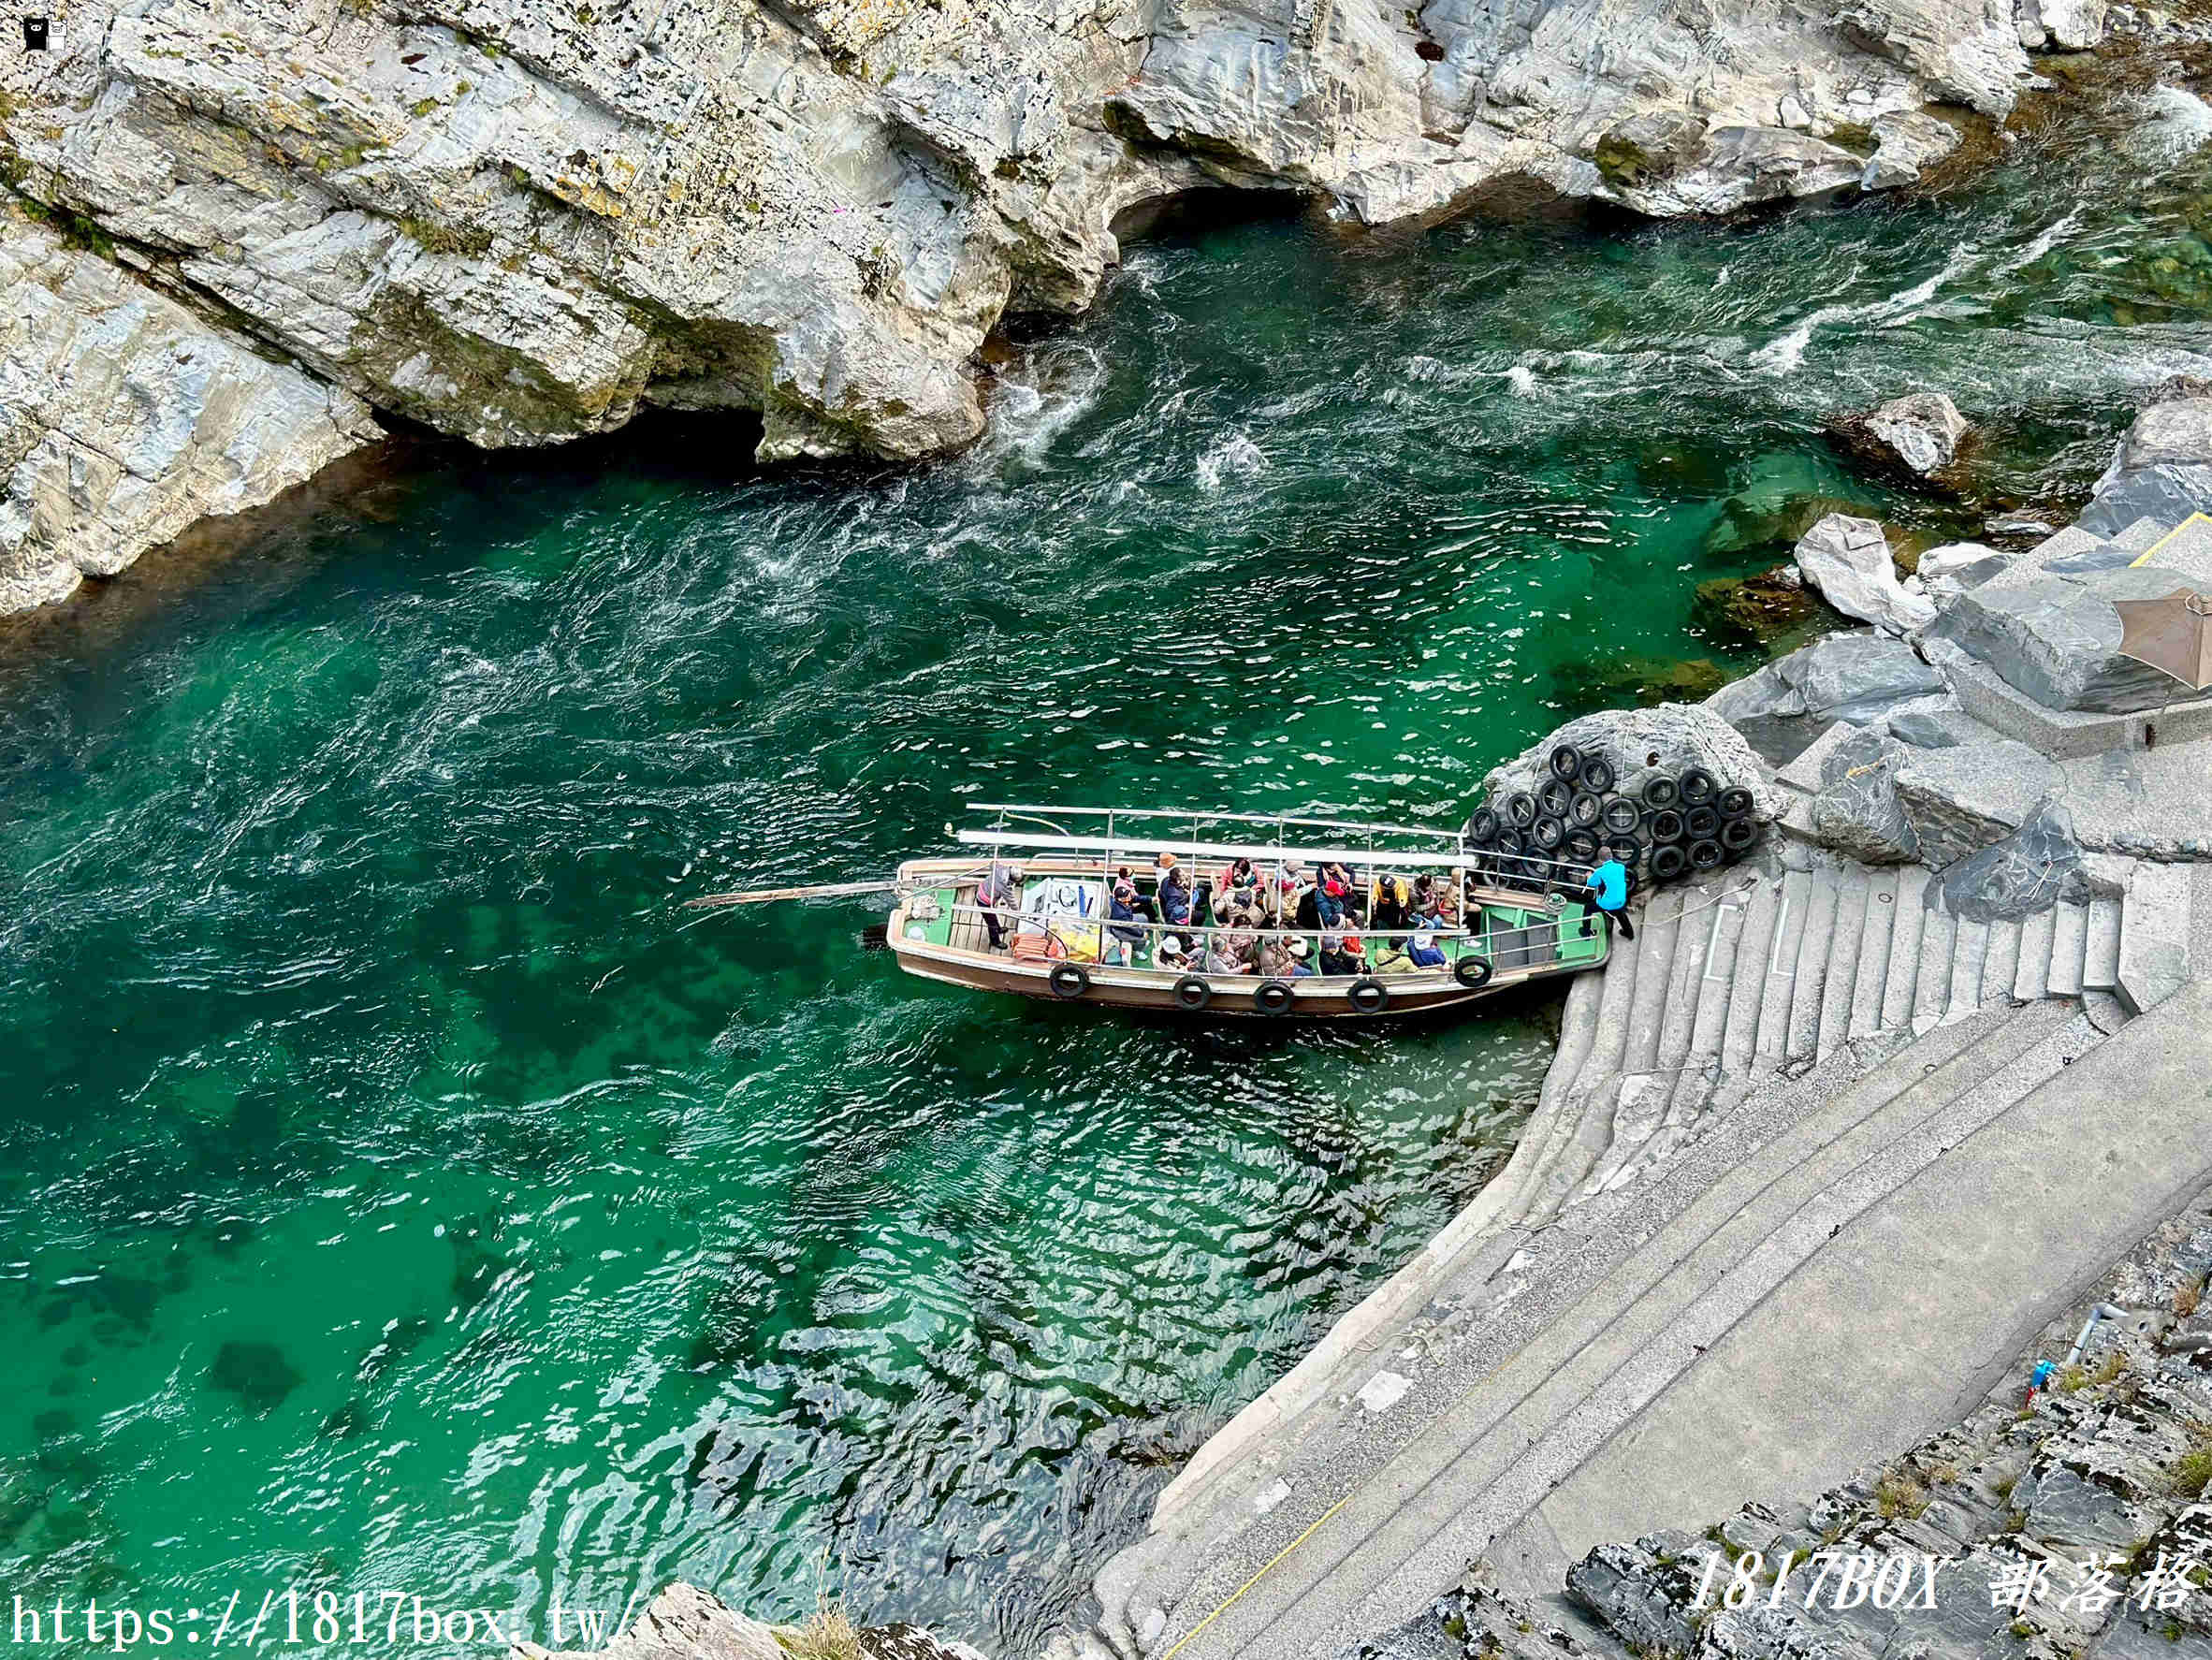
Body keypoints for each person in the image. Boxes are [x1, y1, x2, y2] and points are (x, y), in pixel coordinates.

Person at [975, 860, 1024, 951]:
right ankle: (995, 941)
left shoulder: (1000, 868)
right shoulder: (1005, 886)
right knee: (991, 923)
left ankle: (999, 929)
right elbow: (1010, 900)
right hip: (984, 901)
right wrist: (1018, 912)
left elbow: (993, 863)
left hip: (983, 889)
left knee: (993, 917)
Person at [1584, 856, 1635, 940]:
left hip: (1606, 903)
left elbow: (1591, 883)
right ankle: (1629, 934)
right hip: (1621, 900)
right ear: (1611, 856)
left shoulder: (1599, 872)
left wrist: (1589, 876)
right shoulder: (1621, 867)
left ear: (1600, 859)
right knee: (1620, 914)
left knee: (1588, 908)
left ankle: (1586, 934)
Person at [1155, 853, 1193, 927]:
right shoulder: (1174, 893)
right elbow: (1170, 909)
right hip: (1177, 908)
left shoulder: (1165, 873)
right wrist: (1186, 896)